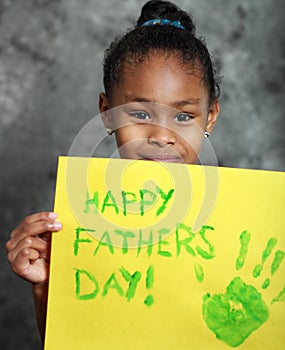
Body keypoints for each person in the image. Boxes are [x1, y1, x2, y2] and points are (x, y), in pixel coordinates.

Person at [6, 0, 220, 343]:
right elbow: (75, 340)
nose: (163, 137)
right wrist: (48, 287)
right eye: (139, 114)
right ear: (107, 113)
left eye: (183, 116)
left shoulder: (239, 225)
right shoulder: (84, 224)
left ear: (209, 117)